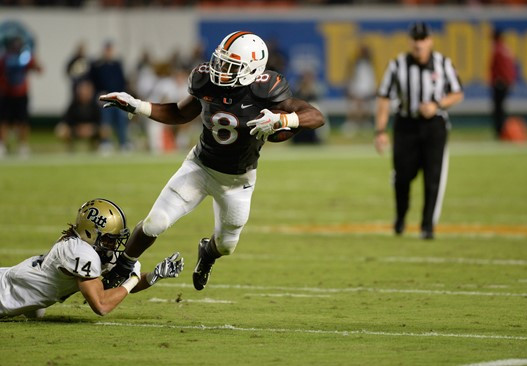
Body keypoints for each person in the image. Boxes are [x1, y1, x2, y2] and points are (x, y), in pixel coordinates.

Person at [98, 31, 325, 290]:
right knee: (155, 222)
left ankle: (207, 253)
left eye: (231, 66)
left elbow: (315, 116)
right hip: (199, 167)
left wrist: (285, 119)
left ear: (253, 69)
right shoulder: (206, 80)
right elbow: (180, 113)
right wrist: (137, 105)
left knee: (226, 245)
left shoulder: (266, 88)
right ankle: (123, 265)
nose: (221, 70)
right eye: (221, 61)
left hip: (238, 180)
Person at [0, 198, 183, 318]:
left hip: (14, 286)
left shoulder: (90, 249)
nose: (113, 245)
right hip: (3, 293)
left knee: (36, 311)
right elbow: (101, 304)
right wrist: (133, 279)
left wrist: (153, 276)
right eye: (109, 239)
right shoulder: (79, 251)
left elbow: (120, 281)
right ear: (90, 233)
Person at [374, 22, 464, 240]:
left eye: (423, 39)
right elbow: (384, 97)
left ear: (430, 41)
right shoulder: (397, 65)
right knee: (402, 175)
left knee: (433, 176)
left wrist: (437, 104)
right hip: (406, 125)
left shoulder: (443, 64)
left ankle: (427, 225)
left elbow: (458, 93)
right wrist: (380, 131)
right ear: (410, 41)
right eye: (415, 39)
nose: (419, 43)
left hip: (434, 125)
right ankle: (401, 216)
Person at [0, 35, 42, 157]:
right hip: (6, 93)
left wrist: (34, 58)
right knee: (4, 121)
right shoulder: (5, 58)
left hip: (21, 94)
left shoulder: (25, 57)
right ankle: (2, 145)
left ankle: (23, 146)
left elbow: (38, 69)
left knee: (22, 121)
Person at [89, 40, 129, 152]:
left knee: (121, 120)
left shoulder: (117, 65)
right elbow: (93, 83)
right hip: (104, 99)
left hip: (118, 98)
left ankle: (123, 143)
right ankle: (106, 143)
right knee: (105, 121)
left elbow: (122, 82)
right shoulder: (97, 66)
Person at [54, 79, 101, 152]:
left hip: (91, 130)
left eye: (87, 91)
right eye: (82, 91)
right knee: (61, 130)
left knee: (105, 130)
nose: (84, 93)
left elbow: (99, 122)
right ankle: (70, 149)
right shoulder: (73, 105)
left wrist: (90, 128)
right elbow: (66, 120)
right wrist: (78, 128)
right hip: (76, 130)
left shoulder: (95, 105)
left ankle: (96, 148)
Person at [342, 45, 376, 138]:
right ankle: (352, 126)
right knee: (354, 109)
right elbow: (351, 77)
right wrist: (350, 88)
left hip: (366, 90)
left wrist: (371, 90)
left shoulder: (369, 65)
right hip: (356, 89)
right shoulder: (355, 64)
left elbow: (370, 79)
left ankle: (365, 125)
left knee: (366, 109)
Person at [489, 28, 517, 139]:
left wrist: (498, 80)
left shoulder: (497, 50)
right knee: (501, 108)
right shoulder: (506, 49)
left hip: (500, 83)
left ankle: (500, 132)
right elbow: (511, 67)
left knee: (498, 109)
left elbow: (498, 68)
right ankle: (502, 131)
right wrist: (510, 80)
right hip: (505, 83)